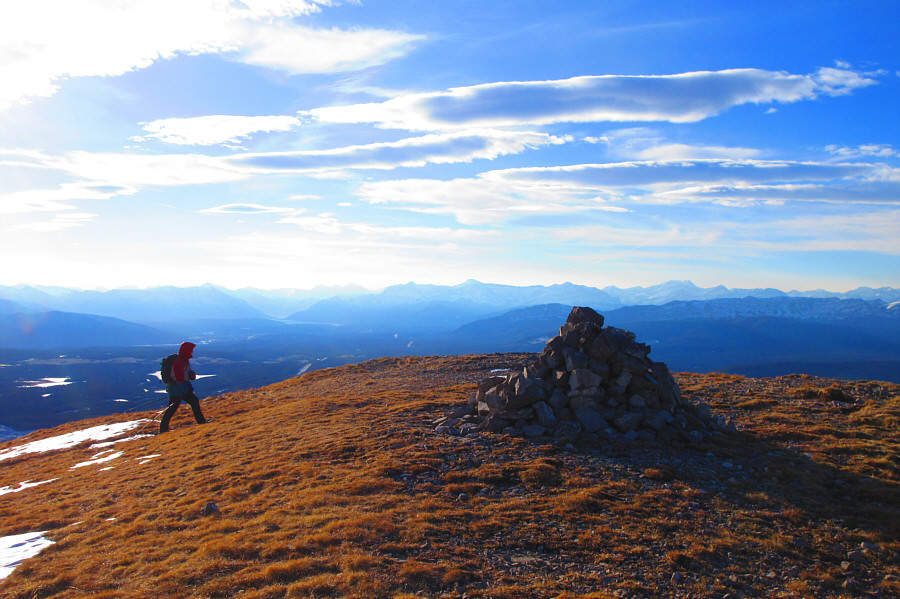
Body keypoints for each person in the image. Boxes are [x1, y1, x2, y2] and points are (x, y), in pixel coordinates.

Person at [159, 341, 208, 433]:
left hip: (176, 388)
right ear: (187, 350)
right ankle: (201, 421)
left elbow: (182, 376)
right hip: (178, 388)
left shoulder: (182, 359)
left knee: (173, 408)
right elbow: (179, 378)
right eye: (191, 350)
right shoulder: (179, 361)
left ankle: (163, 429)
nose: (192, 352)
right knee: (192, 402)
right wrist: (186, 389)